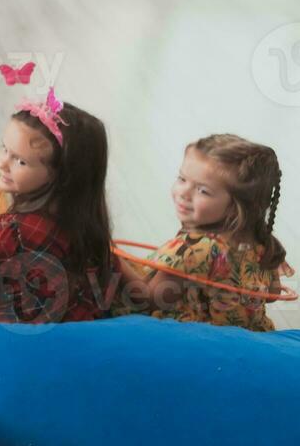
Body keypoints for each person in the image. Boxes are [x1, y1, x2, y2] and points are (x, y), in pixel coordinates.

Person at [0, 89, 116, 323]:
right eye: (5, 149)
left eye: (21, 161)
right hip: (67, 314)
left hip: (14, 323)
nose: (3, 163)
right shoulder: (88, 221)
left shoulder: (10, 230)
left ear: (60, 176)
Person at [117, 134, 288, 330]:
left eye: (203, 191)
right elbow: (273, 293)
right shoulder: (264, 244)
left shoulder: (196, 247)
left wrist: (113, 258)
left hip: (201, 341)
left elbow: (147, 300)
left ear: (237, 207)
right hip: (253, 337)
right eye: (182, 179)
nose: (183, 192)